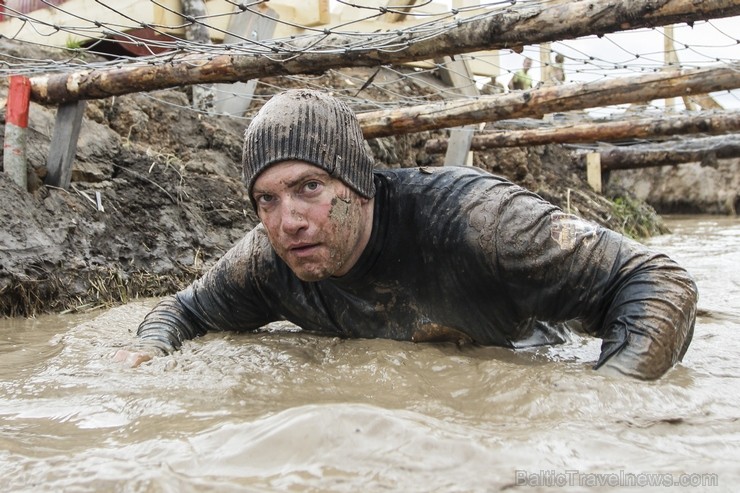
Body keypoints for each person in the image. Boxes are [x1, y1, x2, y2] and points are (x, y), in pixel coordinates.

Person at [115, 89, 697, 380]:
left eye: (309, 188)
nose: (288, 220)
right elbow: (182, 311)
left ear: (359, 184)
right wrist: (147, 354)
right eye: (266, 200)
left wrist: (614, 397)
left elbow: (653, 278)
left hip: (532, 357)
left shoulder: (478, 221)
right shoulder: (269, 261)